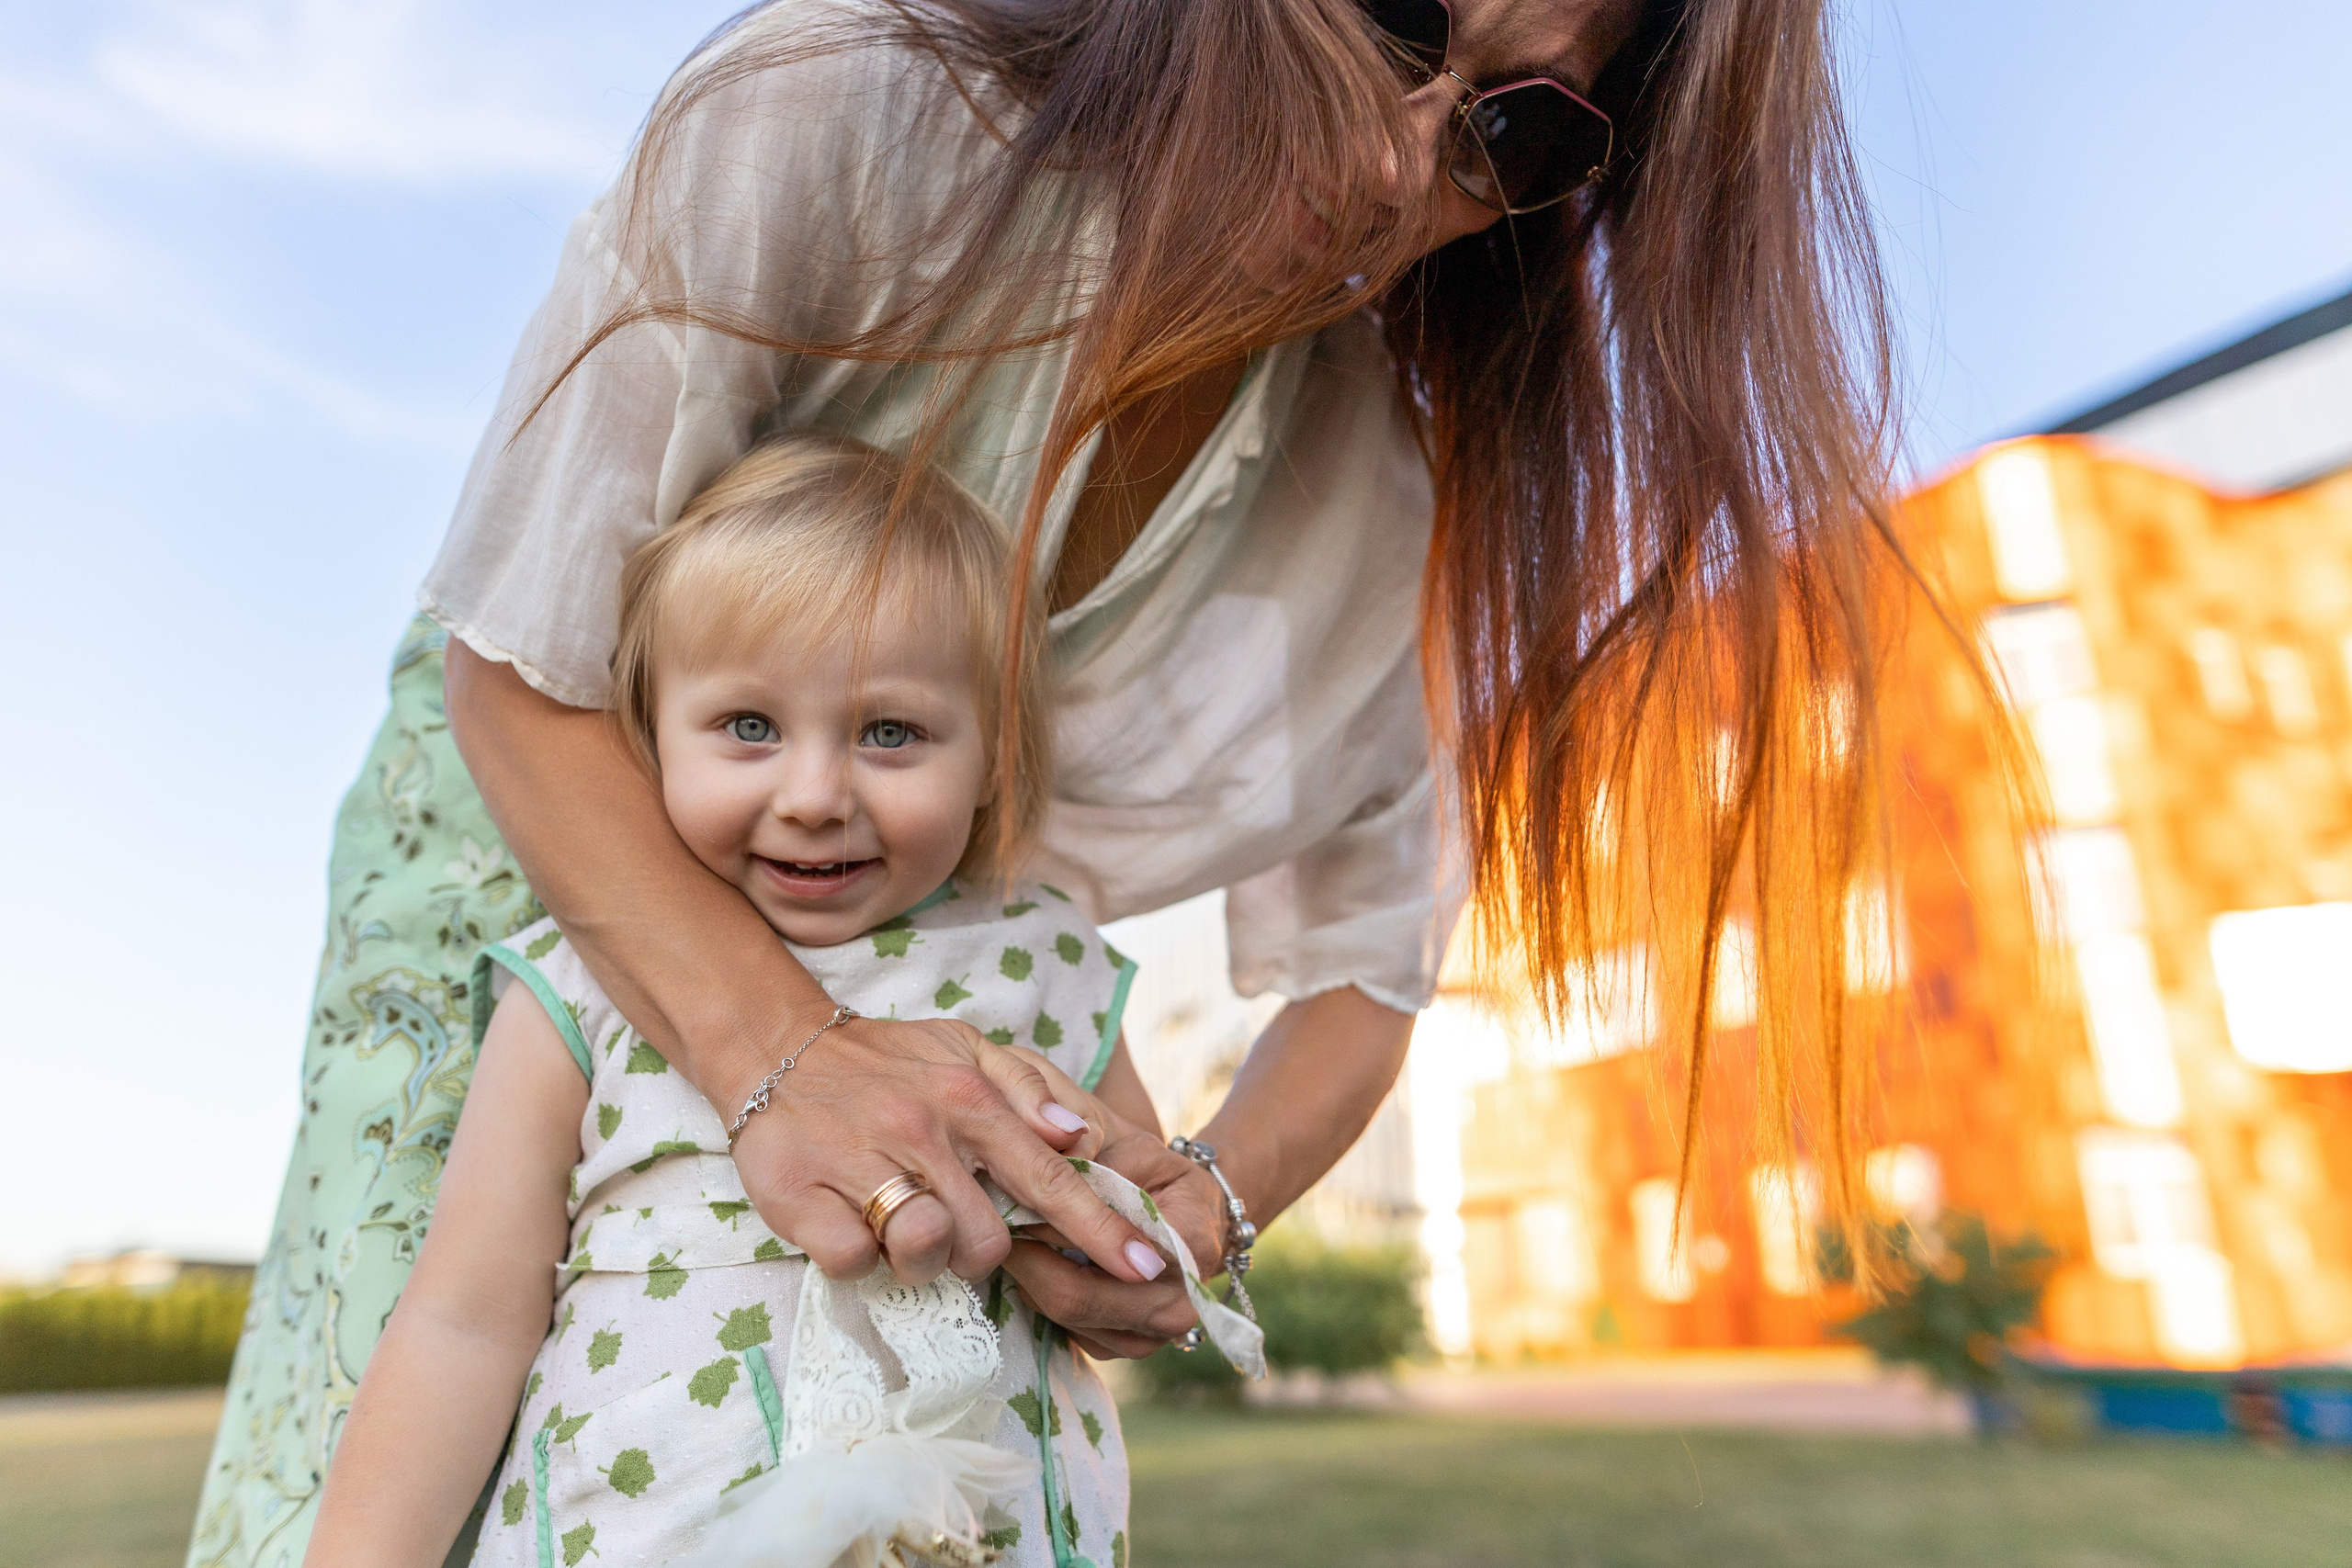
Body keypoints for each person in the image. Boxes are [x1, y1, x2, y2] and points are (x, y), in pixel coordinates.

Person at [193, 2, 1908, 1561]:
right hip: (541, 858)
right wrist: (773, 1044)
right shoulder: (846, 112)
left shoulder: (1370, 508)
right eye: (1392, 18)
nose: (1403, 161)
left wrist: (1203, 1196)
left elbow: (1370, 968)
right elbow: (525, 673)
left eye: (1512, 131)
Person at [301, 433, 1262, 1568]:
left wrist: (1145, 1241)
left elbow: (1122, 1242)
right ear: (648, 737)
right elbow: (464, 1318)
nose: (814, 796)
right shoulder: (586, 977)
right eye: (748, 727)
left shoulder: (1048, 964)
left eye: (889, 732)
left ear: (993, 758)